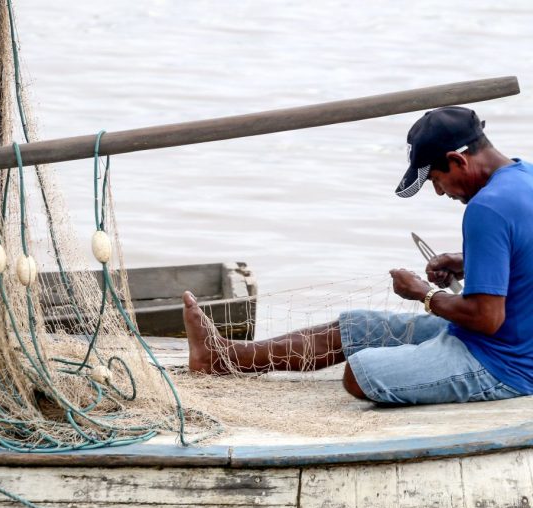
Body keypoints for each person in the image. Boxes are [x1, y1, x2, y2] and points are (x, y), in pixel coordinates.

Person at [182, 106, 533, 404]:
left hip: (506, 365)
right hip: (503, 340)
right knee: (354, 327)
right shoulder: (524, 177)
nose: (440, 192)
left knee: (361, 372)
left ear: (457, 160)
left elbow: (487, 318)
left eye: (435, 180)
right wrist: (464, 262)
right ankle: (222, 356)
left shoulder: (485, 209)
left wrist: (422, 293)